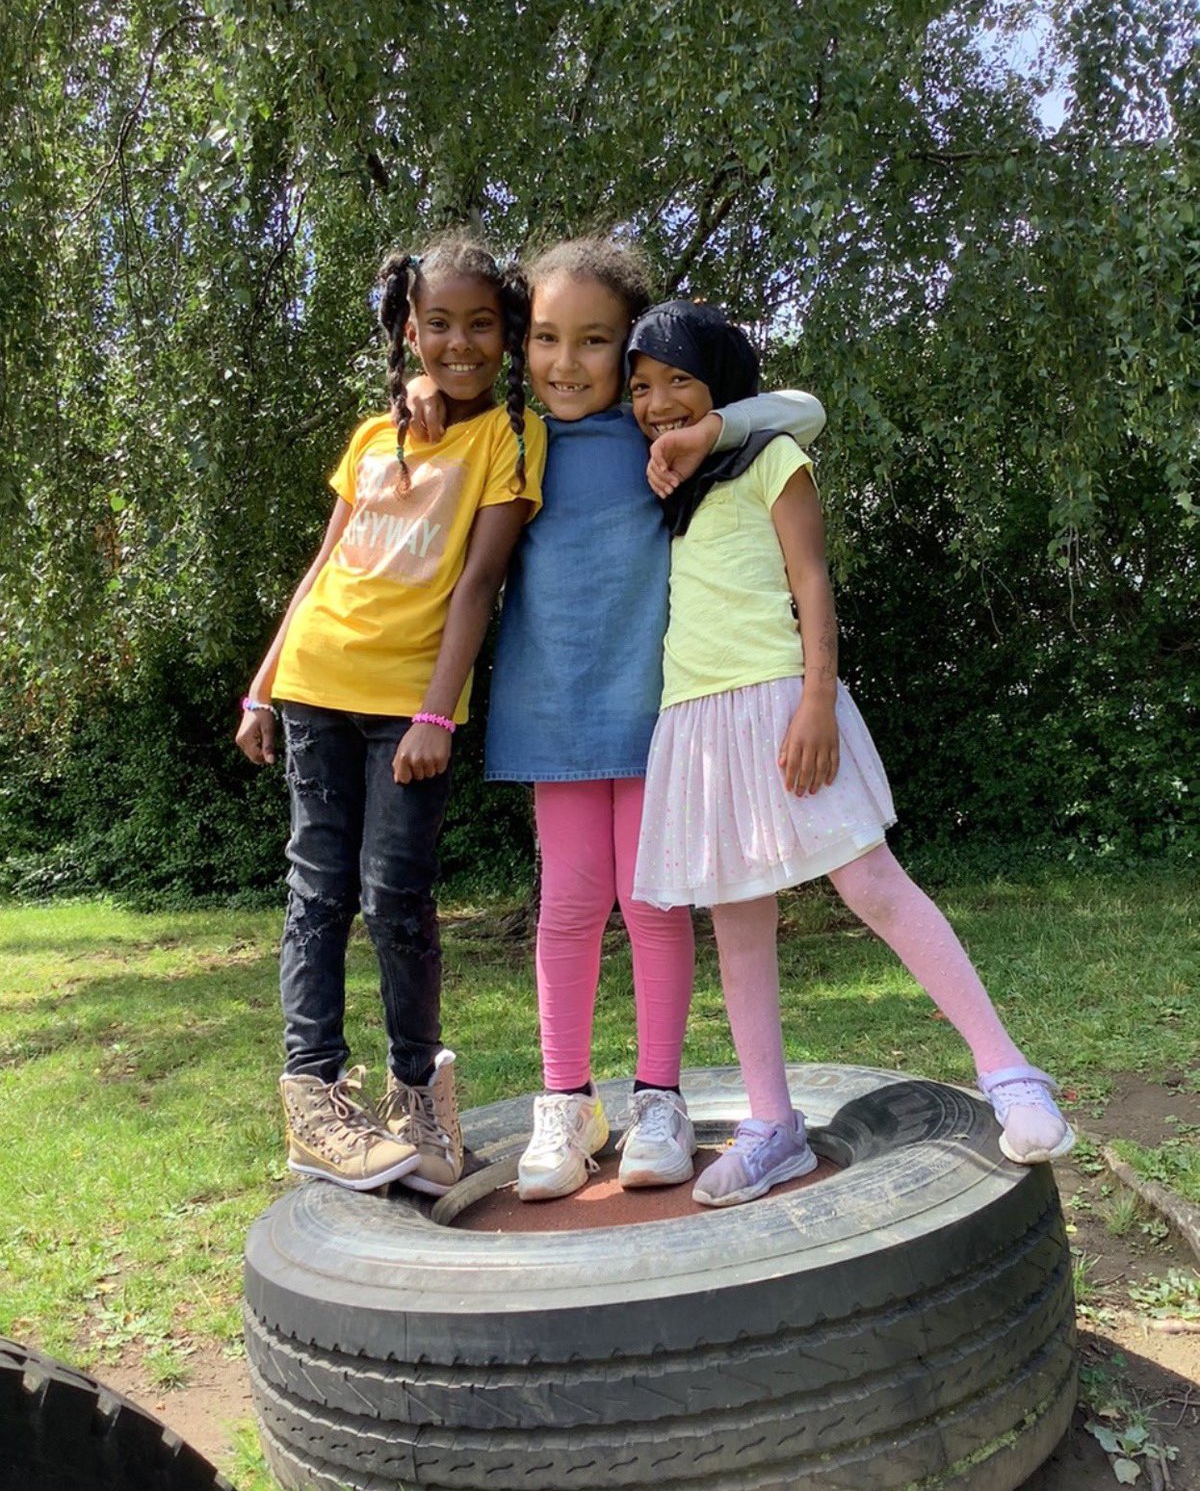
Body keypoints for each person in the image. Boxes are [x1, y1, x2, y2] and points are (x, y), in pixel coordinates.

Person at [626, 300, 1075, 1207]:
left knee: (871, 883)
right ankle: (773, 1125)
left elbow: (811, 573)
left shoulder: (772, 455)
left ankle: (1009, 1070)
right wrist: (684, 437)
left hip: (784, 702)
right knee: (737, 921)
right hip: (695, 718)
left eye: (680, 379)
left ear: (723, 382)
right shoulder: (666, 478)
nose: (658, 402)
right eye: (641, 386)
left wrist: (820, 698)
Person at [409, 238, 825, 1202]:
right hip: (551, 708)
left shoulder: (660, 433)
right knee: (569, 901)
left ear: (629, 352)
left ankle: (658, 1097)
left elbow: (797, 411)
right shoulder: (515, 433)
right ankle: (567, 1102)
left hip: (656, 710)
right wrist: (426, 397)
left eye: (594, 342)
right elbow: (428, 428)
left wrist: (703, 422)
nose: (566, 362)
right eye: (546, 339)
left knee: (652, 903)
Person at [234, 233, 547, 1194]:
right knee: (316, 893)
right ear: (411, 331)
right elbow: (325, 565)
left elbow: (479, 583)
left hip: (408, 708)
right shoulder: (375, 437)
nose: (460, 344)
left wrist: (436, 714)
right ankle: (315, 1099)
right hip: (317, 683)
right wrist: (261, 682)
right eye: (440, 324)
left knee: (398, 898)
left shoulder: (509, 439)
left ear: (509, 334)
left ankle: (418, 1092)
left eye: (482, 325)